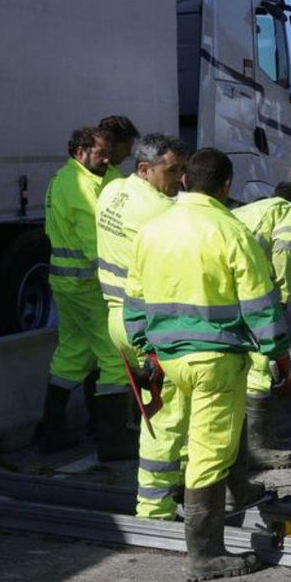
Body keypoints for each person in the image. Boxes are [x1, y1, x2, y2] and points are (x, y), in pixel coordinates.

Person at [124, 148, 291, 581]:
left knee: (174, 436)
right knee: (209, 452)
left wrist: (146, 347)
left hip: (167, 358)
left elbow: (134, 299)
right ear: (226, 185)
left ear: (184, 181)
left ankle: (175, 516)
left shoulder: (153, 231)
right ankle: (204, 553)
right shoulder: (232, 232)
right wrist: (276, 352)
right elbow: (260, 302)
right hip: (215, 361)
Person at [96, 134, 188, 518]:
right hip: (148, 323)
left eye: (183, 170)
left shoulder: (112, 191)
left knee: (162, 406)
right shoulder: (160, 213)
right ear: (145, 169)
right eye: (172, 171)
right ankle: (155, 505)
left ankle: (177, 484)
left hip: (118, 317)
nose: (181, 180)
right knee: (169, 415)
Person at [33, 126, 133, 458]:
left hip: (67, 285)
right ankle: (114, 441)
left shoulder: (66, 179)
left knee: (72, 355)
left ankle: (51, 433)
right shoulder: (78, 187)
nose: (108, 158)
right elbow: (97, 241)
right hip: (89, 286)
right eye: (101, 153)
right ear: (80, 153)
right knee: (114, 357)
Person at [233, 182, 291, 468]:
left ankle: (242, 443)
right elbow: (287, 252)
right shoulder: (290, 212)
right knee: (260, 364)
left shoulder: (250, 209)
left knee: (240, 362)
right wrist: (283, 297)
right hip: (255, 294)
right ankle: (257, 447)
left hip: (226, 292)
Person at [97, 114, 140, 186]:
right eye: (127, 148)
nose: (129, 153)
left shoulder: (110, 171)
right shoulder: (105, 176)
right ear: (111, 144)